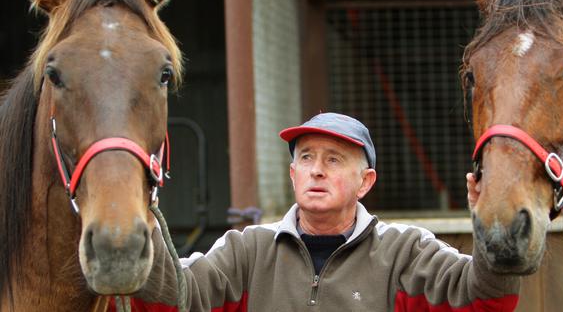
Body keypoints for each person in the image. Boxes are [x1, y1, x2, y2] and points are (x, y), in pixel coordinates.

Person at [130, 112, 520, 311]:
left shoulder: (406, 251)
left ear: (365, 181)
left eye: (333, 159)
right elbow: (174, 301)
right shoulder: (247, 250)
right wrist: (138, 208)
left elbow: (483, 301)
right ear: (292, 173)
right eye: (306, 157)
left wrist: (494, 225)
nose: (317, 169)